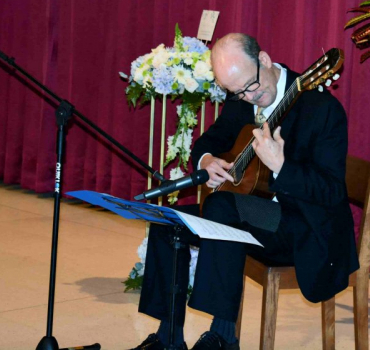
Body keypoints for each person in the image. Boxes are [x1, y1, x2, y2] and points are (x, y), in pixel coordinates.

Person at [131, 33, 358, 350]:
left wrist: (281, 166)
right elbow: (208, 142)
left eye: (251, 86)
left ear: (264, 60)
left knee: (222, 207)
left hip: (304, 225)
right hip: (254, 215)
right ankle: (168, 339)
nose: (249, 97)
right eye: (237, 92)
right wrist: (207, 160)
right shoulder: (241, 99)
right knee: (169, 221)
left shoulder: (321, 109)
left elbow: (331, 192)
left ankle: (222, 337)